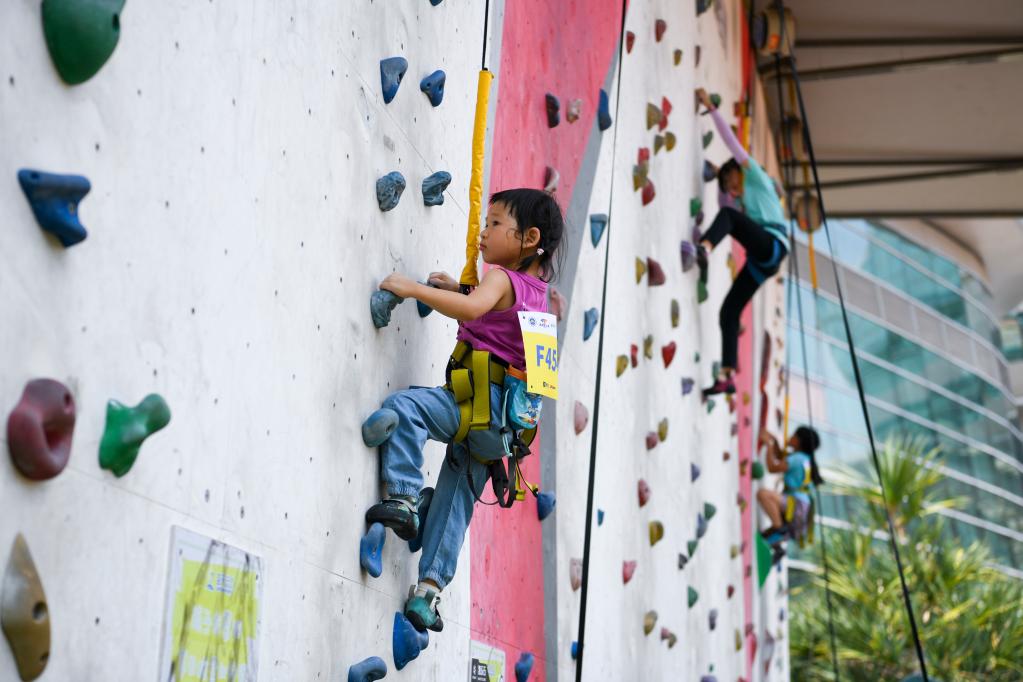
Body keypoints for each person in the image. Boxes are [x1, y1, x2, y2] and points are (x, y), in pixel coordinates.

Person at [362, 188, 564, 633]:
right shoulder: (541, 299)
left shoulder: (501, 279)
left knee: (406, 409)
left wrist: (412, 289)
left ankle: (405, 497)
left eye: (495, 223)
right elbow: (505, 330)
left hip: (470, 404)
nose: (482, 233)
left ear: (529, 238)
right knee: (455, 504)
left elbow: (475, 308)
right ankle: (427, 594)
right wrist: (460, 289)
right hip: (502, 434)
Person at [695, 87, 790, 397]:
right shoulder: (747, 198)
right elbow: (731, 207)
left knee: (729, 216)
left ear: (739, 170)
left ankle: (705, 247)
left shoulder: (756, 176)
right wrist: (715, 174)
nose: (733, 191)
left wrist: (711, 108)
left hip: (772, 245)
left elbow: (730, 142)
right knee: (729, 311)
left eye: (731, 183)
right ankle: (727, 375)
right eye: (728, 188)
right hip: (764, 261)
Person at [756, 425, 823, 546]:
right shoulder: (804, 458)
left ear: (798, 441)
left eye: (794, 435)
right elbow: (780, 456)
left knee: (763, 495)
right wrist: (774, 441)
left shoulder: (797, 458)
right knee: (767, 535)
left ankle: (779, 529)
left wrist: (769, 445)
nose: (790, 437)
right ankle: (777, 539)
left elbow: (772, 468)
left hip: (796, 504)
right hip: (801, 506)